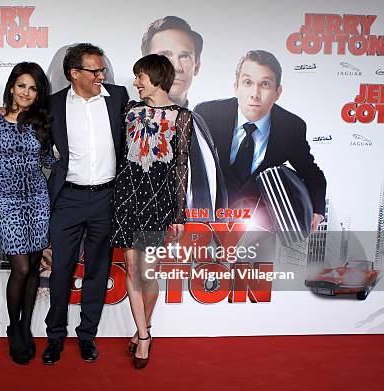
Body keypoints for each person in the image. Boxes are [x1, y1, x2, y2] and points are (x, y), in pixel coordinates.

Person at [43, 43, 129, 365]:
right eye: (94, 70)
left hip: (107, 197)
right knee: (60, 270)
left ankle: (87, 337)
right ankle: (55, 338)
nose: (101, 75)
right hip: (68, 199)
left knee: (98, 269)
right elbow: (31, 137)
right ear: (73, 73)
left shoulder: (119, 98)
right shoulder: (52, 105)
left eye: (102, 69)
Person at [111, 54, 193, 369]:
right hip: (126, 198)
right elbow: (118, 153)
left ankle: (141, 328)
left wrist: (179, 214)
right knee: (132, 270)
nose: (135, 82)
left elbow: (182, 167)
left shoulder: (182, 117)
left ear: (156, 77)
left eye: (140, 76)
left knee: (148, 273)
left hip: (159, 204)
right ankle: (144, 336)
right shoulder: (129, 110)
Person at [194, 50, 326, 231]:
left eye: (265, 84)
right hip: (208, 220)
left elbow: (312, 174)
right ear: (236, 87)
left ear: (277, 92)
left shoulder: (291, 127)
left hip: (257, 227)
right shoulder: (207, 115)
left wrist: (316, 211)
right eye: (247, 83)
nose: (255, 94)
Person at [0, 62, 54, 365]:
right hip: (7, 200)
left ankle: (25, 328)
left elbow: (50, 163)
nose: (27, 93)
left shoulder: (41, 123)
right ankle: (13, 327)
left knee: (33, 268)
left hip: (37, 199)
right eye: (22, 85)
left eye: (33, 88)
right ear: (12, 87)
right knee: (22, 268)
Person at [141, 16, 227, 219]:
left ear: (196, 65)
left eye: (185, 56)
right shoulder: (132, 124)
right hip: (151, 244)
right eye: (165, 56)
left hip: (206, 246)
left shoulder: (200, 124)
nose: (176, 67)